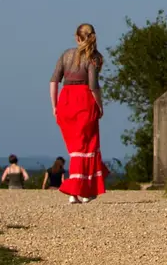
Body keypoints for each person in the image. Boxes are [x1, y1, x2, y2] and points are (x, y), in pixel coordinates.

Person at [49, 22, 106, 204]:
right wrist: (100, 105)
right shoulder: (93, 57)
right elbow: (93, 86)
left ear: (77, 37)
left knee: (75, 149)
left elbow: (54, 81)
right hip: (84, 101)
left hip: (65, 100)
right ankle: (82, 190)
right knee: (87, 147)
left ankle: (76, 192)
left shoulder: (66, 55)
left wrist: (54, 105)